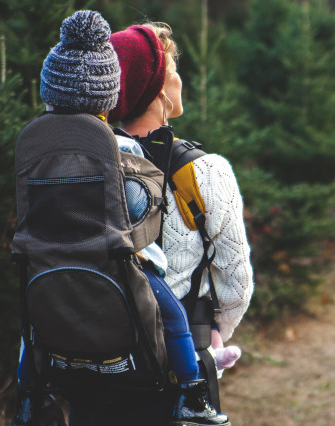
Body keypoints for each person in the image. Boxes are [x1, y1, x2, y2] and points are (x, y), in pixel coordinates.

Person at [13, 10, 228, 426]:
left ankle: (27, 396)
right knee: (172, 314)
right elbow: (133, 208)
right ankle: (192, 394)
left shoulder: (36, 144)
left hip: (44, 258)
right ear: (106, 95)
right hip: (111, 257)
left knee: (32, 324)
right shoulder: (114, 147)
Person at [108, 22, 254, 422]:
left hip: (101, 361)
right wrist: (209, 337)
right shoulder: (206, 172)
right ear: (158, 90)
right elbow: (236, 284)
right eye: (173, 70)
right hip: (180, 366)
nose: (180, 79)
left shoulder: (91, 165)